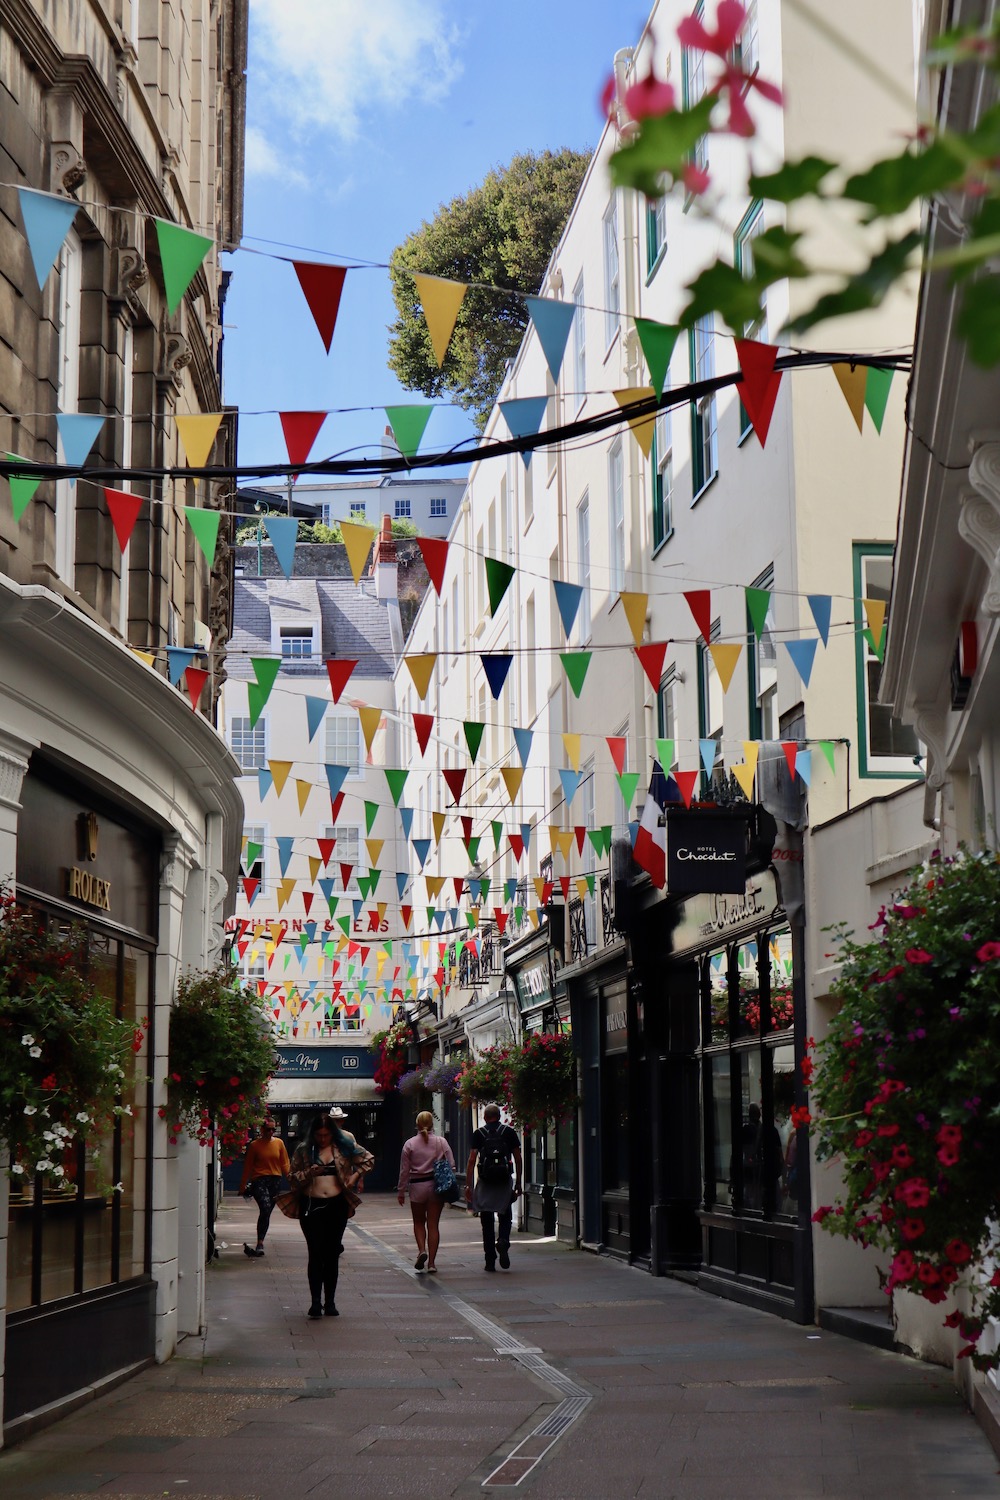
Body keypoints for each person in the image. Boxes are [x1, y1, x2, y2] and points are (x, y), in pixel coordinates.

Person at [288, 1108, 375, 1319]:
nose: (323, 1139)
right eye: (319, 1135)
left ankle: (330, 1301)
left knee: (332, 1253)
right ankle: (315, 1302)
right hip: (311, 1204)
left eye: (327, 1135)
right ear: (313, 1134)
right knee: (315, 1253)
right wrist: (310, 1172)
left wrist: (353, 1179)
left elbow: (368, 1160)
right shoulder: (303, 1150)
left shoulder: (344, 1147)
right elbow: (292, 1177)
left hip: (337, 1205)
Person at [397, 1110, 456, 1273]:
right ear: (432, 1124)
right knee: (433, 1225)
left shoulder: (409, 1144)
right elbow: (452, 1165)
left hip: (417, 1186)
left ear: (417, 1125)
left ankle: (422, 1250)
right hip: (436, 1187)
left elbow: (404, 1170)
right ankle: (431, 1263)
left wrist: (401, 1191)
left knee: (418, 1222)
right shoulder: (441, 1142)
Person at [465, 1104, 522, 1272]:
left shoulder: (479, 1134)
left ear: (484, 1117)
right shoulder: (509, 1132)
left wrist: (468, 1185)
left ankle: (490, 1260)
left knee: (486, 1220)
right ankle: (503, 1240)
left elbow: (471, 1160)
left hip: (485, 1180)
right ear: (499, 1116)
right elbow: (518, 1158)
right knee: (505, 1214)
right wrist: (518, 1182)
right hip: (504, 1180)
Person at [238, 1116, 291, 1258]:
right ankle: (260, 1243)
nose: (271, 1132)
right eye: (268, 1129)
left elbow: (285, 1164)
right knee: (265, 1207)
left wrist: (292, 1180)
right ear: (261, 1129)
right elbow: (248, 1166)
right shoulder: (255, 1145)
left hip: (275, 1180)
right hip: (259, 1180)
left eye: (274, 1129)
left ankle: (260, 1241)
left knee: (266, 1212)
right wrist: (242, 1186)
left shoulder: (279, 1143)